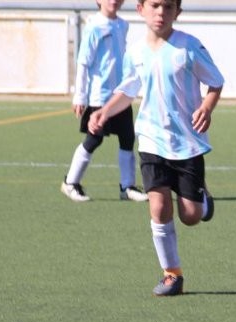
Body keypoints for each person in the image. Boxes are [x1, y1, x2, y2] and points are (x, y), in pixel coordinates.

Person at [88, 0, 223, 297]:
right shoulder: (135, 52)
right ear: (141, 9)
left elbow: (215, 83)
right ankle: (172, 274)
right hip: (151, 141)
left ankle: (202, 201)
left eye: (168, 7)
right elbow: (128, 90)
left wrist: (207, 107)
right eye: (155, 5)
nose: (161, 12)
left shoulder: (189, 47)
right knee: (159, 208)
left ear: (178, 12)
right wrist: (104, 112)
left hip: (187, 143)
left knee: (190, 215)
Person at [61, 0, 148, 203]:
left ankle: (127, 187)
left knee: (127, 138)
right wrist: (80, 96)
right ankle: (71, 183)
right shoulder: (94, 27)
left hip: (120, 96)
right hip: (99, 97)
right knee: (94, 139)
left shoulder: (122, 25)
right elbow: (83, 63)